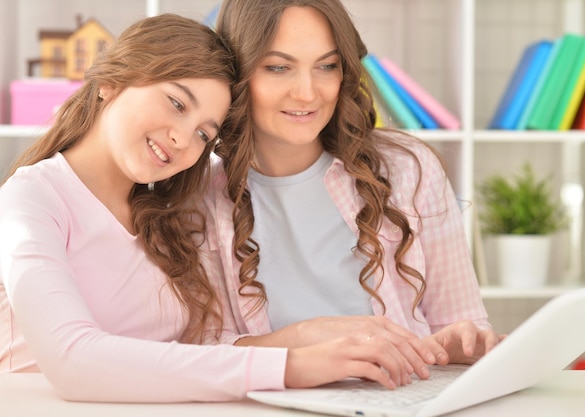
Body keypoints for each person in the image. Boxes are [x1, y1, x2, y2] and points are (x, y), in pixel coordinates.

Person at [0, 13, 415, 403]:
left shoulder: (165, 215)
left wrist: (310, 334)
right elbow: (73, 362)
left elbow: (185, 353)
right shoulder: (32, 200)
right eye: (177, 104)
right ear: (111, 80)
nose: (183, 139)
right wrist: (291, 365)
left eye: (203, 133)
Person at [207, 0, 504, 378]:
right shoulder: (199, 199)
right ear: (236, 73)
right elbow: (198, 352)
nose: (307, 93)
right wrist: (304, 336)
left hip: (401, 398)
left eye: (327, 66)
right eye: (278, 67)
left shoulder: (408, 169)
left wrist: (459, 345)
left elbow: (463, 321)